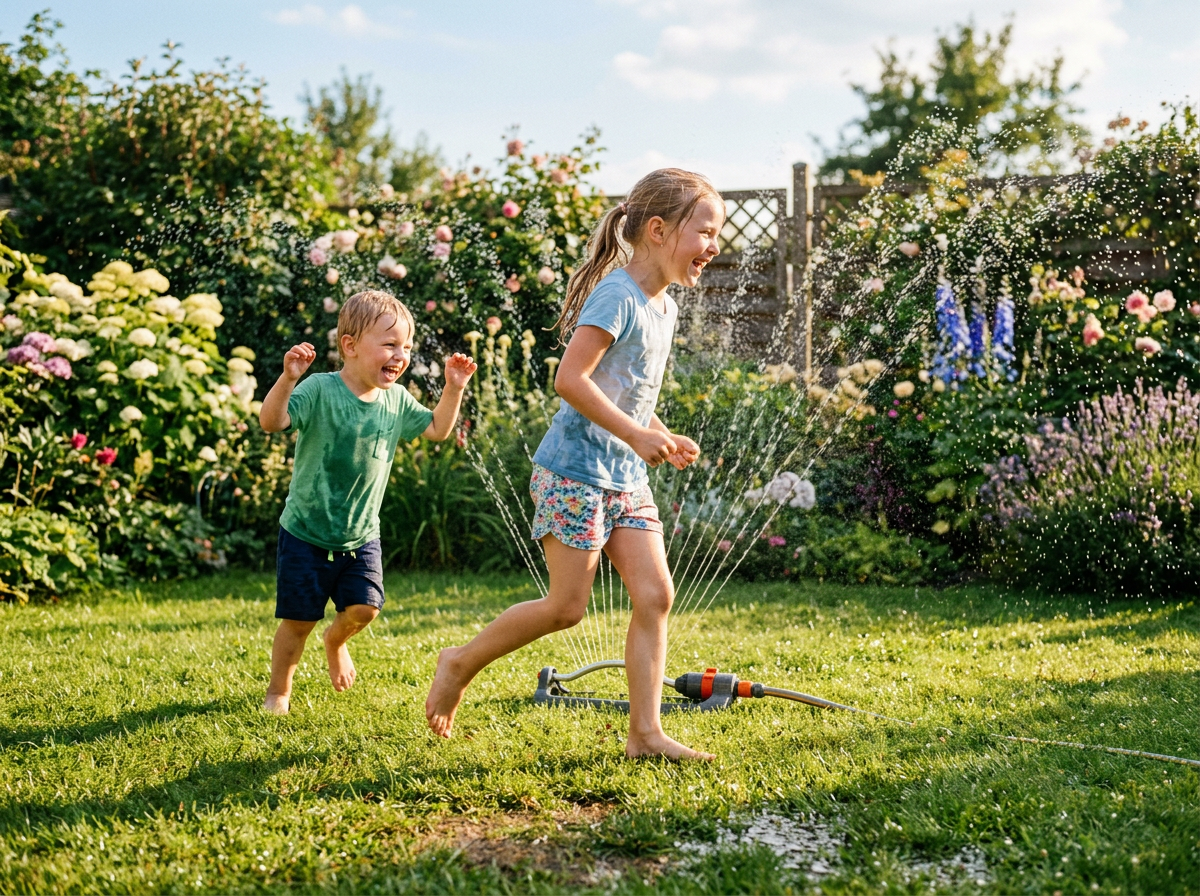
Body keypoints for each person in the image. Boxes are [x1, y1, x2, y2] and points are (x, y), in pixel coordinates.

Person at [425, 169, 723, 759]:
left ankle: (645, 733)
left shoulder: (664, 308)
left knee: (655, 594)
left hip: (626, 478)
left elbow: (628, 390)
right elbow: (571, 379)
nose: (714, 247)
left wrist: (658, 432)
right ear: (659, 230)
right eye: (706, 232)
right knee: (566, 608)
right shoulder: (618, 294)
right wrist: (637, 433)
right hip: (573, 473)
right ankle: (459, 662)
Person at [260, 289, 477, 715]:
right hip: (305, 531)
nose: (401, 354)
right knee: (299, 620)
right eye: (390, 344)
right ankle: (279, 690)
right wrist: (288, 379)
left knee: (365, 608)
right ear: (351, 346)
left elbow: (436, 429)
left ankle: (336, 640)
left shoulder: (395, 401)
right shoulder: (321, 390)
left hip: (360, 534)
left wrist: (454, 389)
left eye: (407, 347)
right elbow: (272, 422)